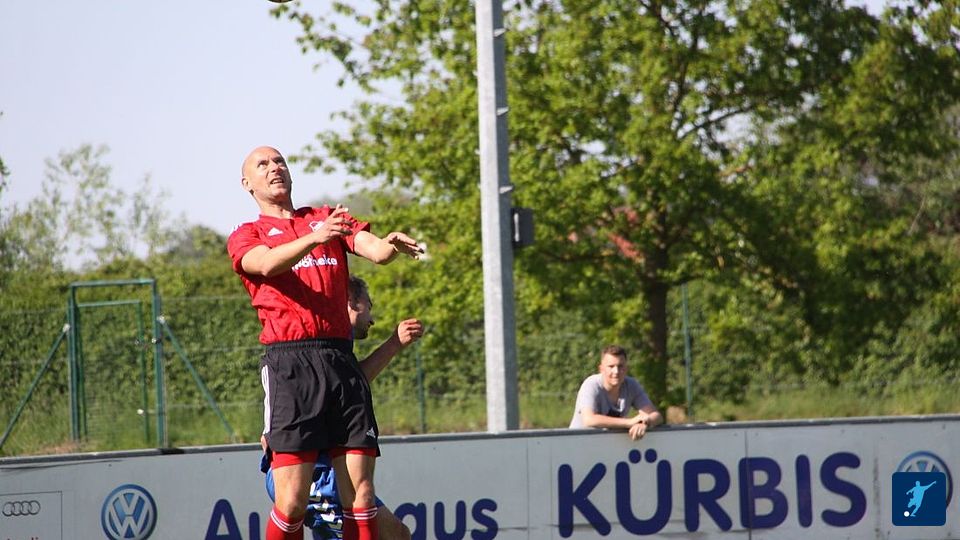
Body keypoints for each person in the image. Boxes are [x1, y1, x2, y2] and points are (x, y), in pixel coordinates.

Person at [227, 146, 422, 540]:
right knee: (292, 502)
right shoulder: (248, 234)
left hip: (339, 359)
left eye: (279, 161)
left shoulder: (325, 217)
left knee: (361, 496)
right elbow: (266, 264)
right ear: (247, 184)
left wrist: (388, 246)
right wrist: (316, 238)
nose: (274, 168)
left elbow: (374, 250)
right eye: (263, 164)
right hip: (291, 364)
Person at [262, 276, 421, 540]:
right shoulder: (311, 337)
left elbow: (351, 382)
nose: (372, 319)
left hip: (330, 470)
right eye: (369, 305)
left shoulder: (337, 345)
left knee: (394, 533)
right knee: (394, 534)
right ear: (349, 302)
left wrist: (394, 344)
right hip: (314, 473)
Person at [569, 345, 663, 441]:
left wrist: (644, 423)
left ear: (626, 369)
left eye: (620, 366)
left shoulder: (632, 385)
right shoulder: (591, 384)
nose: (616, 371)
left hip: (609, 445)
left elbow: (656, 416)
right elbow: (589, 420)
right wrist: (629, 422)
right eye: (611, 366)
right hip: (578, 443)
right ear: (601, 369)